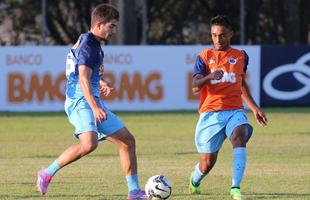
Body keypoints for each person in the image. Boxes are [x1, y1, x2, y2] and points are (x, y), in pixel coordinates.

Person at [36, 4, 147, 200]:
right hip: (81, 101)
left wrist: (101, 81)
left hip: (90, 98)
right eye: (111, 26)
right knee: (89, 144)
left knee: (127, 141)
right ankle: (46, 173)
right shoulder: (89, 46)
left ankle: (134, 192)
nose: (114, 31)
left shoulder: (89, 41)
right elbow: (83, 78)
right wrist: (95, 107)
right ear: (100, 24)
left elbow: (84, 72)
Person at [188, 15, 268, 200]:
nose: (218, 39)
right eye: (214, 35)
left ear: (231, 34)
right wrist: (209, 77)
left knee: (240, 136)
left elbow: (241, 83)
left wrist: (255, 108)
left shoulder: (241, 56)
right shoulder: (204, 57)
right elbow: (194, 87)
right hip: (210, 115)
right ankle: (194, 180)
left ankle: (235, 188)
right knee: (207, 164)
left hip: (235, 110)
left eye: (222, 35)